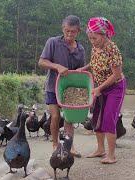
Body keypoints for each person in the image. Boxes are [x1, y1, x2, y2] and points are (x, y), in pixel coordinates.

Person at [77, 17, 126, 164]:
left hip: (115, 88)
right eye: (90, 38)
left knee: (108, 119)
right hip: (100, 87)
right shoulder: (95, 47)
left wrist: (99, 88)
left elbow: (116, 75)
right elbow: (94, 63)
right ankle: (100, 149)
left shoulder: (112, 48)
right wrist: (83, 69)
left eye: (95, 38)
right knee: (96, 117)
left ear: (104, 35)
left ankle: (111, 156)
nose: (92, 41)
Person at [38, 15, 85, 157]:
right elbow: (41, 62)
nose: (69, 34)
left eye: (73, 31)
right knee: (55, 116)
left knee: (69, 118)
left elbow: (80, 71)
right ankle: (55, 144)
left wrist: (79, 72)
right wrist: (56, 66)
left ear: (78, 31)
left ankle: (69, 146)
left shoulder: (81, 49)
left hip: (69, 89)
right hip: (52, 86)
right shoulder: (53, 42)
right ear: (62, 29)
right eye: (67, 31)